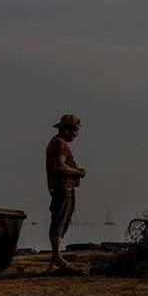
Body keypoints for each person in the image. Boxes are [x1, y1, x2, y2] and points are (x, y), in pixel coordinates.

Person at [45, 113, 86, 272]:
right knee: (59, 221)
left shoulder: (56, 142)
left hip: (61, 188)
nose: (76, 134)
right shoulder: (60, 143)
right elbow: (61, 166)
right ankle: (56, 259)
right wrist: (77, 172)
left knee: (60, 220)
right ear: (68, 130)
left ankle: (56, 259)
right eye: (75, 131)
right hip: (63, 188)